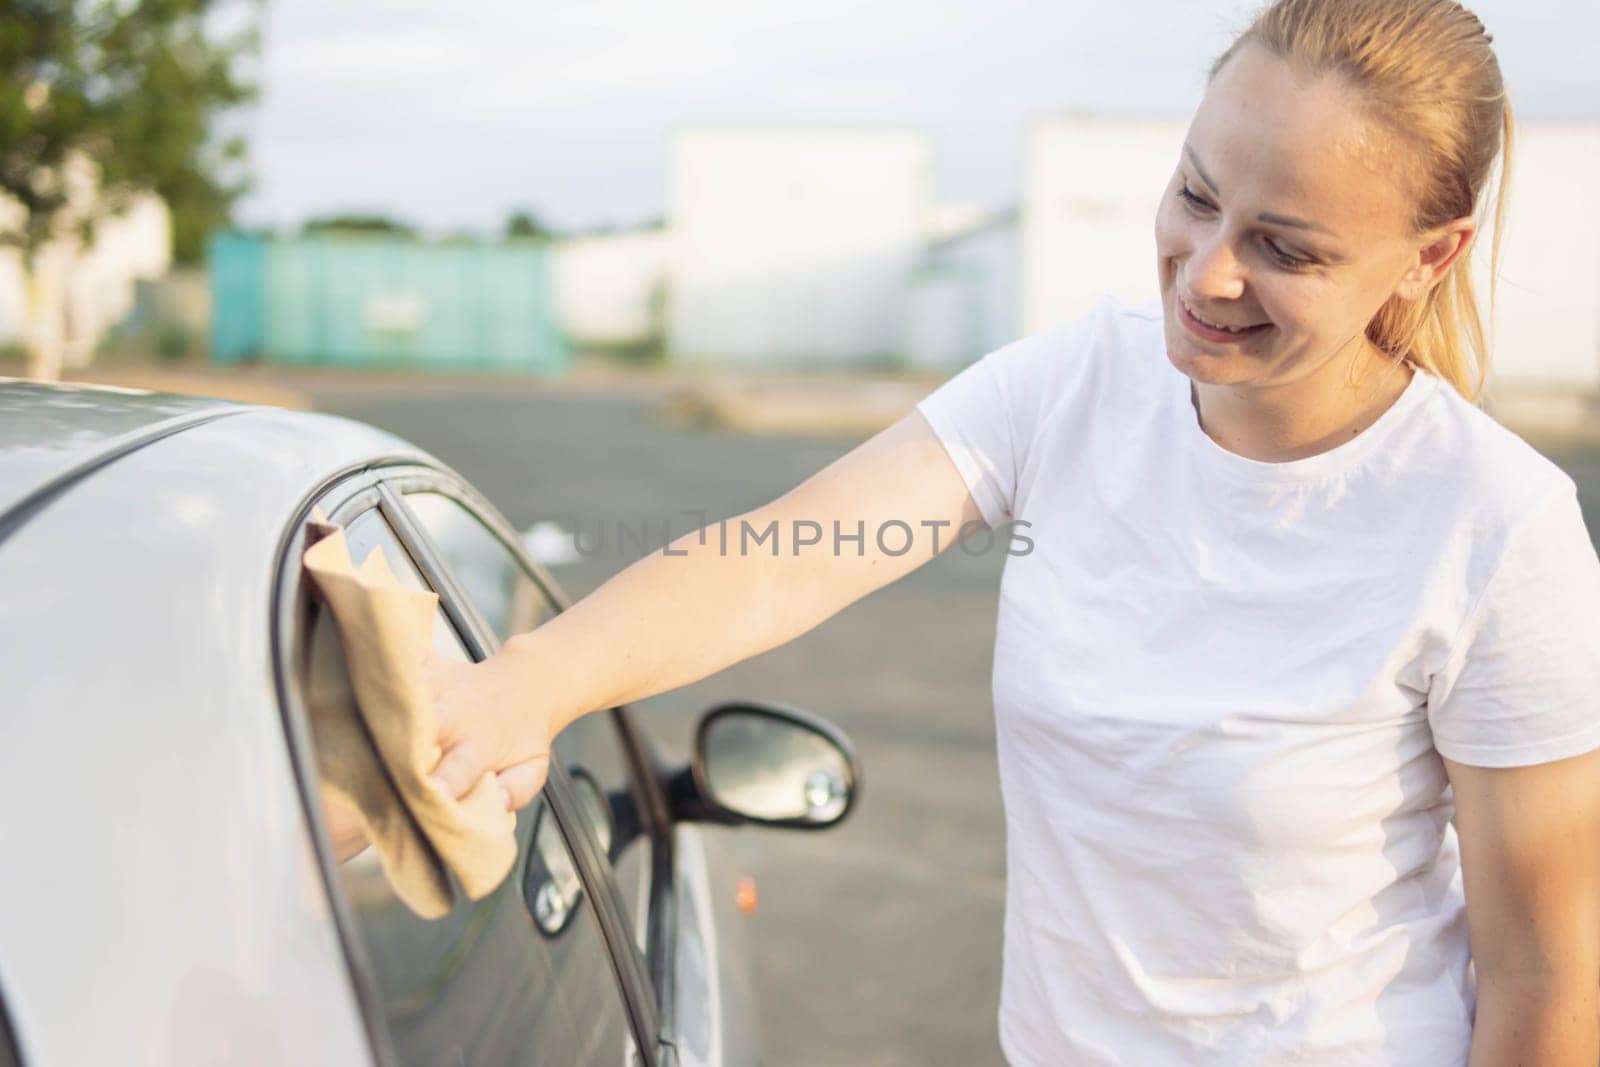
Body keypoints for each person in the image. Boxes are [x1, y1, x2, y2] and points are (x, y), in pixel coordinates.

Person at [424, 0, 1600, 1062]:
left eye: (1286, 247)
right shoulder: (1073, 385)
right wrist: (529, 681)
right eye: (1195, 193)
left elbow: (1545, 974)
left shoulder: (1495, 528)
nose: (1208, 270)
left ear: (1427, 255)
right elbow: (781, 559)